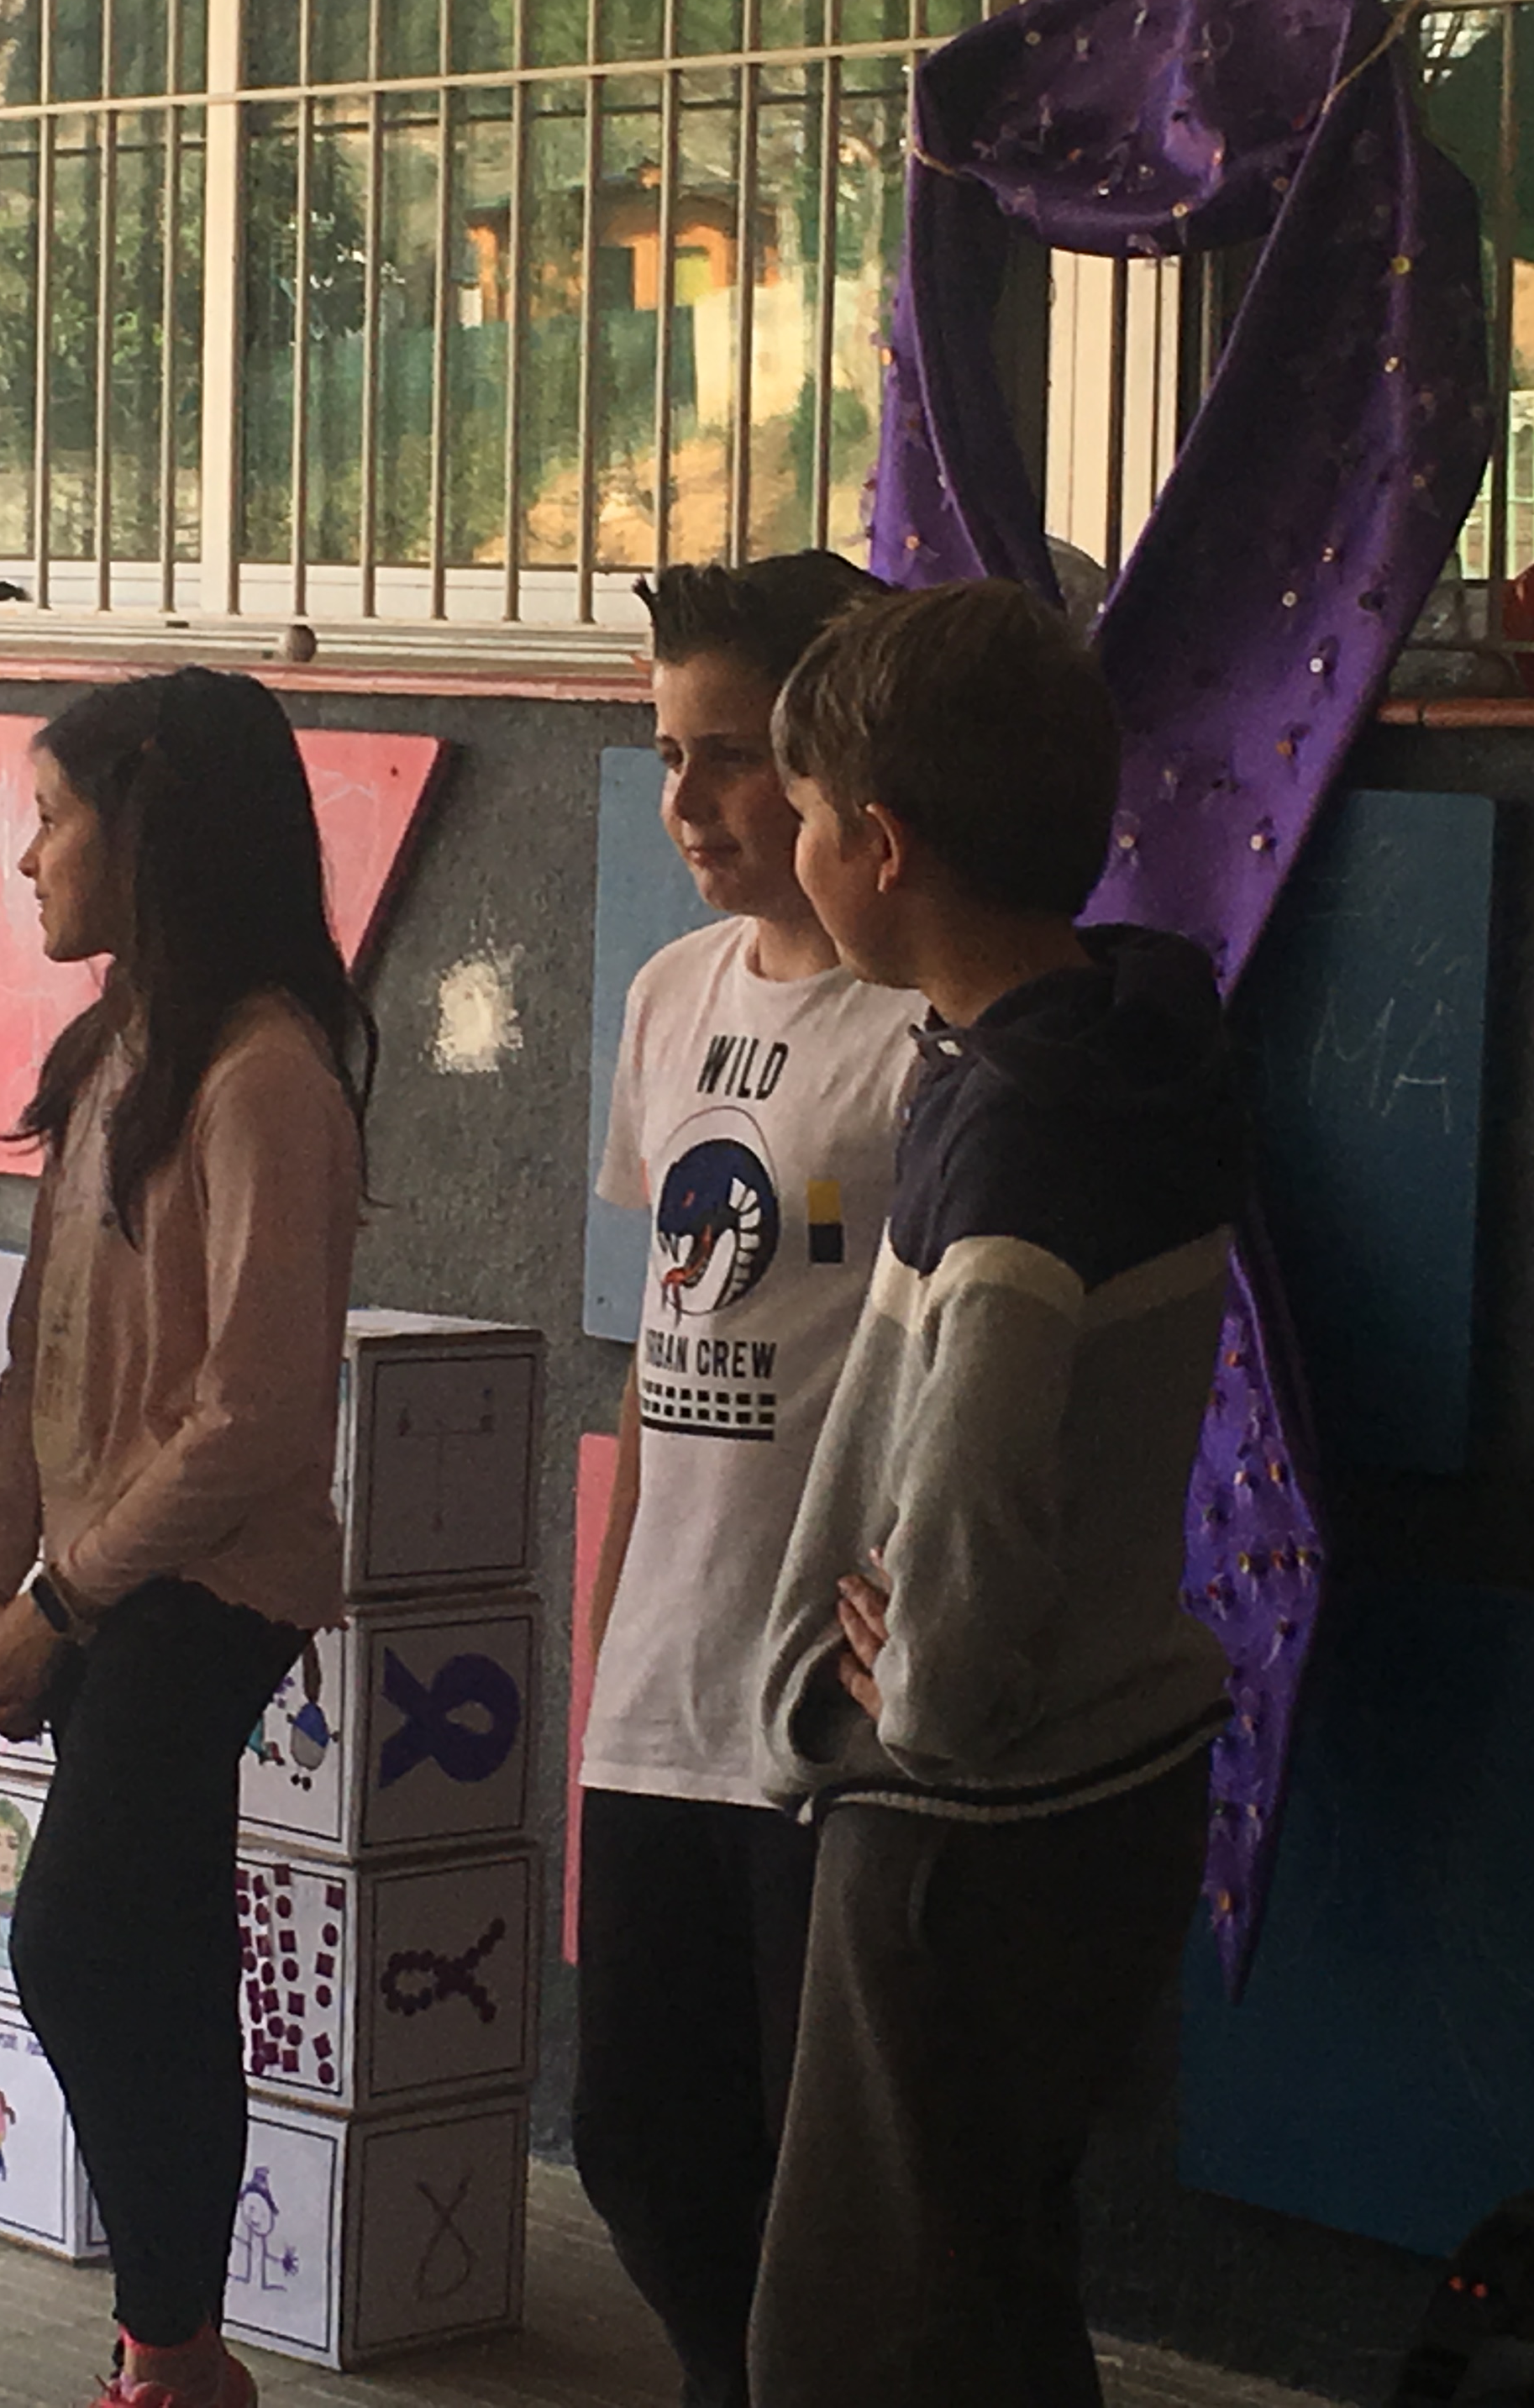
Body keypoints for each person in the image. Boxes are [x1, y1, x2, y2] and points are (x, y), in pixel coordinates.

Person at [744, 581, 1243, 2408]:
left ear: (881, 849)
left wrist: (932, 1685)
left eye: (805, 814)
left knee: (857, 2344)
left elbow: (973, 1476)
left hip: (972, 1821)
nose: (791, 849)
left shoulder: (1018, 1130)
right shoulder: (1128, 1035)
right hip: (1111, 1796)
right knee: (995, 2307)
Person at [0, 668, 377, 2408]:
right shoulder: (114, 1052)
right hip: (98, 1573)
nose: (27, 859)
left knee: (76, 1940)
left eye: (53, 820)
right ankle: (176, 2354)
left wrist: (59, 1599)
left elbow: (252, 1417)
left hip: (203, 1583)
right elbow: (38, 1342)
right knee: (155, 1949)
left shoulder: (264, 1075)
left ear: (150, 831)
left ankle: (176, 2347)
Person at [575, 550, 909, 2408]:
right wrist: (617, 1621)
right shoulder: (671, 993)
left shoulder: (924, 1029)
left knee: (824, 2180)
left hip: (825, 1709)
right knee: (638, 2139)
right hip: (663, 1687)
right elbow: (662, 1335)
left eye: (732, 756)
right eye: (667, 754)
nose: (689, 802)